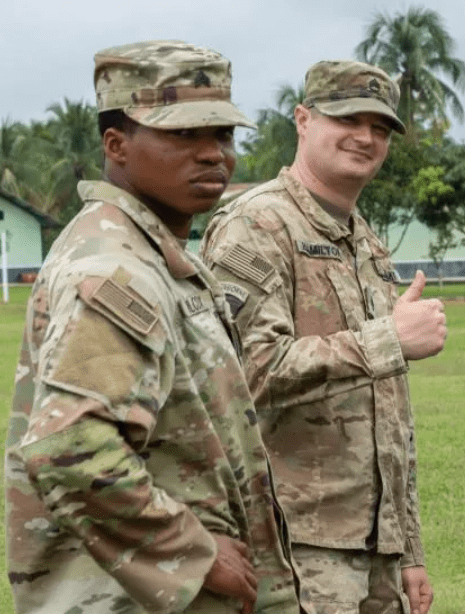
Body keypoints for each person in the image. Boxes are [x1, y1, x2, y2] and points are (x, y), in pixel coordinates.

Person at [5, 40, 300, 614]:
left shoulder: (152, 253)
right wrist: (192, 552)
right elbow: (69, 446)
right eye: (182, 134)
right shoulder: (116, 268)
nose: (213, 154)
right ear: (116, 145)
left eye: (223, 134)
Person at [200, 60, 445, 614]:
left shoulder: (365, 242)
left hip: (377, 550)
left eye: (380, 127)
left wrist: (408, 549)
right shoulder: (256, 226)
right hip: (294, 544)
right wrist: (388, 340)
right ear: (303, 120)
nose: (366, 138)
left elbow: (390, 411)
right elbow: (245, 376)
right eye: (348, 119)